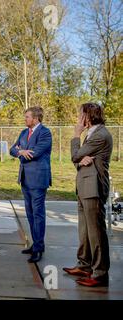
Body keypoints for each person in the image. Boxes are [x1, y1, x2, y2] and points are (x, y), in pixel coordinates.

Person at [63, 103, 112, 287]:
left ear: (88, 116)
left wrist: (76, 134)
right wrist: (80, 160)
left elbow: (75, 155)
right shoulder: (92, 134)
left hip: (94, 188)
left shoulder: (100, 135)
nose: (78, 117)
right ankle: (84, 265)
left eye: (80, 113)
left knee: (96, 233)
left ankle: (99, 274)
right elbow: (79, 160)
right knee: (84, 231)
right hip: (83, 187)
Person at [10, 106, 52, 263]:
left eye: (27, 116)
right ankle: (35, 244)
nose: (25, 119)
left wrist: (23, 151)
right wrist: (20, 152)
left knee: (38, 214)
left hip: (38, 179)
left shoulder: (45, 133)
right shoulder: (23, 132)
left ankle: (39, 248)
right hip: (25, 179)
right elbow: (12, 150)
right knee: (29, 214)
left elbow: (35, 153)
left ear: (36, 118)